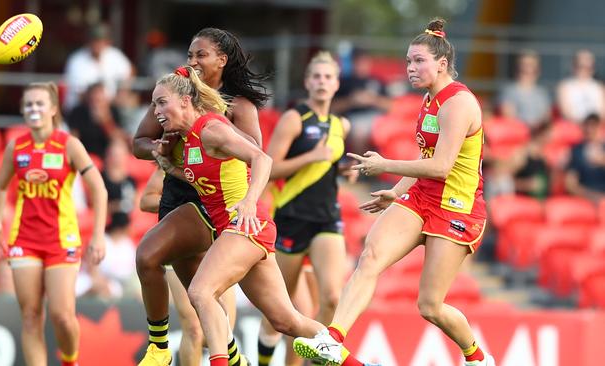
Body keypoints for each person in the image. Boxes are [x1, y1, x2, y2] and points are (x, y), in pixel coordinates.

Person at [293, 18, 495, 366]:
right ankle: (332, 339)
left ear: (442, 64)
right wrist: (395, 191)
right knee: (370, 256)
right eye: (407, 61)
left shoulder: (459, 103)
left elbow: (442, 166)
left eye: (418, 61)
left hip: (457, 208)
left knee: (430, 306)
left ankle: (477, 358)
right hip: (422, 197)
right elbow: (425, 156)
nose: (410, 68)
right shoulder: (429, 100)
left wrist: (385, 164)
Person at [151, 66, 362, 366]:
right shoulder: (190, 142)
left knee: (200, 291)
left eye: (162, 102)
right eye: (154, 103)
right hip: (246, 232)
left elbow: (262, 158)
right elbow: (204, 180)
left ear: (185, 101)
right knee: (286, 320)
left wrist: (250, 201)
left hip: (245, 226)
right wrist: (168, 167)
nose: (156, 110)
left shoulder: (211, 128)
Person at [133, 28, 268, 366]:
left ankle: (158, 349)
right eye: (190, 55)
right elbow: (139, 142)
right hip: (177, 196)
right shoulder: (177, 94)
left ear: (222, 60)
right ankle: (235, 360)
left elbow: (256, 154)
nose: (192, 62)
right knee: (202, 307)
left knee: (151, 258)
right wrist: (157, 148)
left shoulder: (236, 104)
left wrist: (210, 120)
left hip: (214, 204)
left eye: (201, 55)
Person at [0, 82, 107, 366]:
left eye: (40, 103)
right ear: (22, 110)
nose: (34, 109)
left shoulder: (68, 144)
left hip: (61, 239)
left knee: (62, 315)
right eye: (28, 104)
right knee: (30, 316)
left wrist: (98, 236)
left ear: (53, 109)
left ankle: (70, 360)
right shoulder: (16, 148)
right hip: (24, 240)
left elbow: (98, 189)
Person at [256, 51, 353, 366]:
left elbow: (329, 165)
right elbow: (269, 168)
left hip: (327, 218)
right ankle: (264, 360)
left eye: (328, 77)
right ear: (307, 82)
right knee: (279, 310)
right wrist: (310, 157)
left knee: (333, 298)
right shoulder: (294, 118)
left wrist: (343, 171)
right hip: (291, 218)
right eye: (317, 77)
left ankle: (309, 362)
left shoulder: (342, 125)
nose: (322, 82)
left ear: (336, 84)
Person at [139, 166, 238, 365]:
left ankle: (236, 360)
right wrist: (180, 210)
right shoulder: (172, 162)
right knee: (193, 327)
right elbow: (146, 200)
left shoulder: (217, 161)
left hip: (215, 250)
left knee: (223, 328)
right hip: (180, 245)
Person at [63, 23, 133, 111]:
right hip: (81, 108)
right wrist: (102, 102)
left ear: (107, 42)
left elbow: (129, 71)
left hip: (110, 107)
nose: (97, 44)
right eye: (94, 40)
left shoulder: (115, 55)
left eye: (100, 40)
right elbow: (81, 95)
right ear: (88, 41)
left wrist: (123, 93)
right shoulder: (76, 60)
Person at [67, 82, 126, 159]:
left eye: (99, 100)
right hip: (85, 154)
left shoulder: (113, 111)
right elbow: (73, 137)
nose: (96, 104)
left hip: (108, 155)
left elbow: (118, 139)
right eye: (93, 100)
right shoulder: (79, 112)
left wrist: (106, 122)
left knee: (118, 147)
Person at [498, 49, 551, 129]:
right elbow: (508, 117)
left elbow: (546, 117)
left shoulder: (542, 93)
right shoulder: (509, 91)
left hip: (539, 134)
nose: (527, 69)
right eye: (524, 65)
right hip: (518, 133)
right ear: (517, 67)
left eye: (531, 65)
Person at [564, 113, 605, 202]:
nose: (589, 129)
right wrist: (593, 196)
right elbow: (570, 184)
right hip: (589, 196)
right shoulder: (576, 151)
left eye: (593, 126)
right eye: (587, 125)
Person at [556, 49, 604, 123]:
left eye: (588, 67)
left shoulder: (600, 87)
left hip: (596, 127)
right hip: (574, 127)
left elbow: (603, 113)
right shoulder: (564, 86)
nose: (584, 70)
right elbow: (566, 113)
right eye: (581, 66)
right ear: (573, 66)